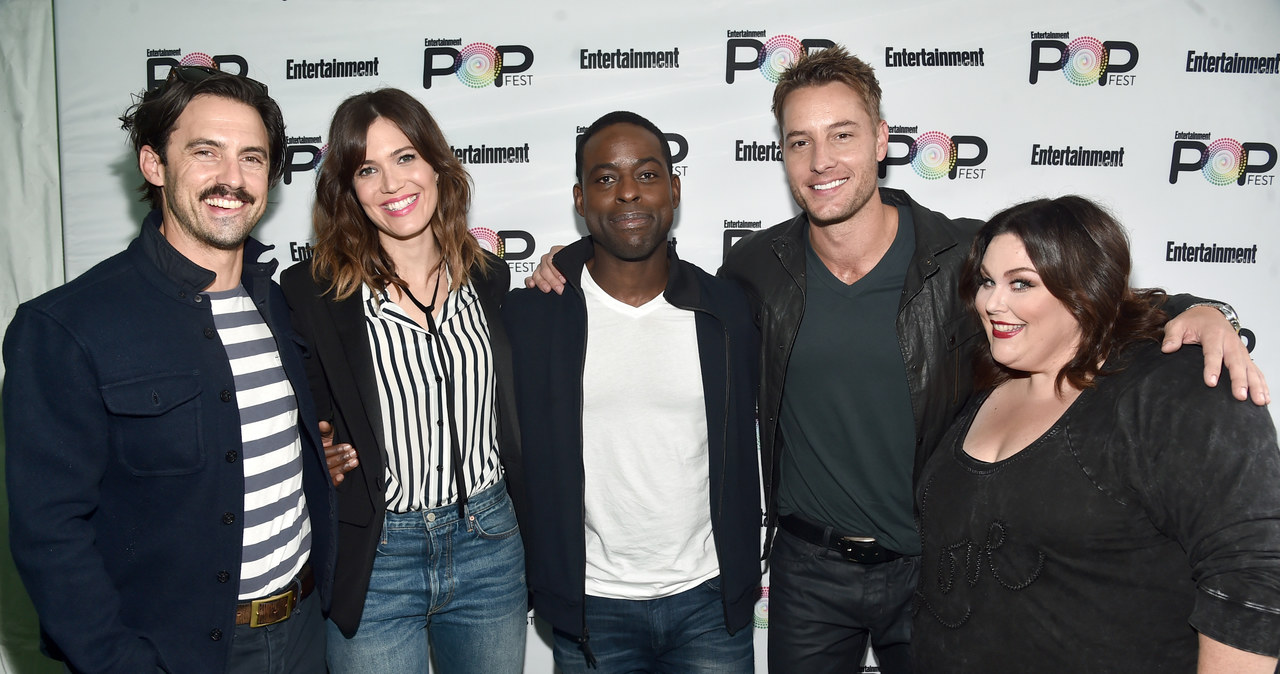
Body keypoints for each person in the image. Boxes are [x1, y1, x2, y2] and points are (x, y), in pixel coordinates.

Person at [528, 45, 1266, 672]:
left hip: (936, 564)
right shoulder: (755, 270)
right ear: (781, 154)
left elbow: (1078, 299)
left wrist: (1199, 311)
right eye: (799, 142)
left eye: (842, 135)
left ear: (882, 140)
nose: (822, 162)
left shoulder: (961, 256)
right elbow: (646, 268)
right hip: (808, 572)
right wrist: (569, 258)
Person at [3, 66, 335, 673]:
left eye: (252, 158)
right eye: (205, 153)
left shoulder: (279, 301)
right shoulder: (66, 327)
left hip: (307, 630)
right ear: (154, 164)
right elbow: (49, 534)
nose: (231, 179)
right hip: (178, 654)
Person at [912, 195, 1280, 672]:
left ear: (1084, 287)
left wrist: (1209, 312)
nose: (991, 302)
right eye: (986, 281)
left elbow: (1251, 574)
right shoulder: (987, 379)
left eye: (1021, 283)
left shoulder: (1174, 388)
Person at [503, 111, 761, 673]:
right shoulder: (534, 316)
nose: (627, 194)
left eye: (646, 175)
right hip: (593, 607)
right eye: (605, 178)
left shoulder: (726, 310)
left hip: (709, 604)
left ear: (674, 188)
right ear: (579, 198)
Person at [280, 88, 527, 673]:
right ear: (349, 190)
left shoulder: (489, 277)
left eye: (405, 157)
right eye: (367, 168)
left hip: (489, 543)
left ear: (438, 166)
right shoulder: (312, 293)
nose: (392, 184)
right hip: (378, 557)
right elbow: (294, 408)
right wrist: (318, 447)